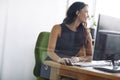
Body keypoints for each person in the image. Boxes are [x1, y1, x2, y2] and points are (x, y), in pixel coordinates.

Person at [40, 1, 93, 80]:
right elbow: (50, 52)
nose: (88, 16)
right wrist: (60, 60)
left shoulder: (86, 32)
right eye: (86, 12)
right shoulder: (57, 28)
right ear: (77, 13)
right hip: (53, 64)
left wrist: (79, 59)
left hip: (68, 67)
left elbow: (90, 56)